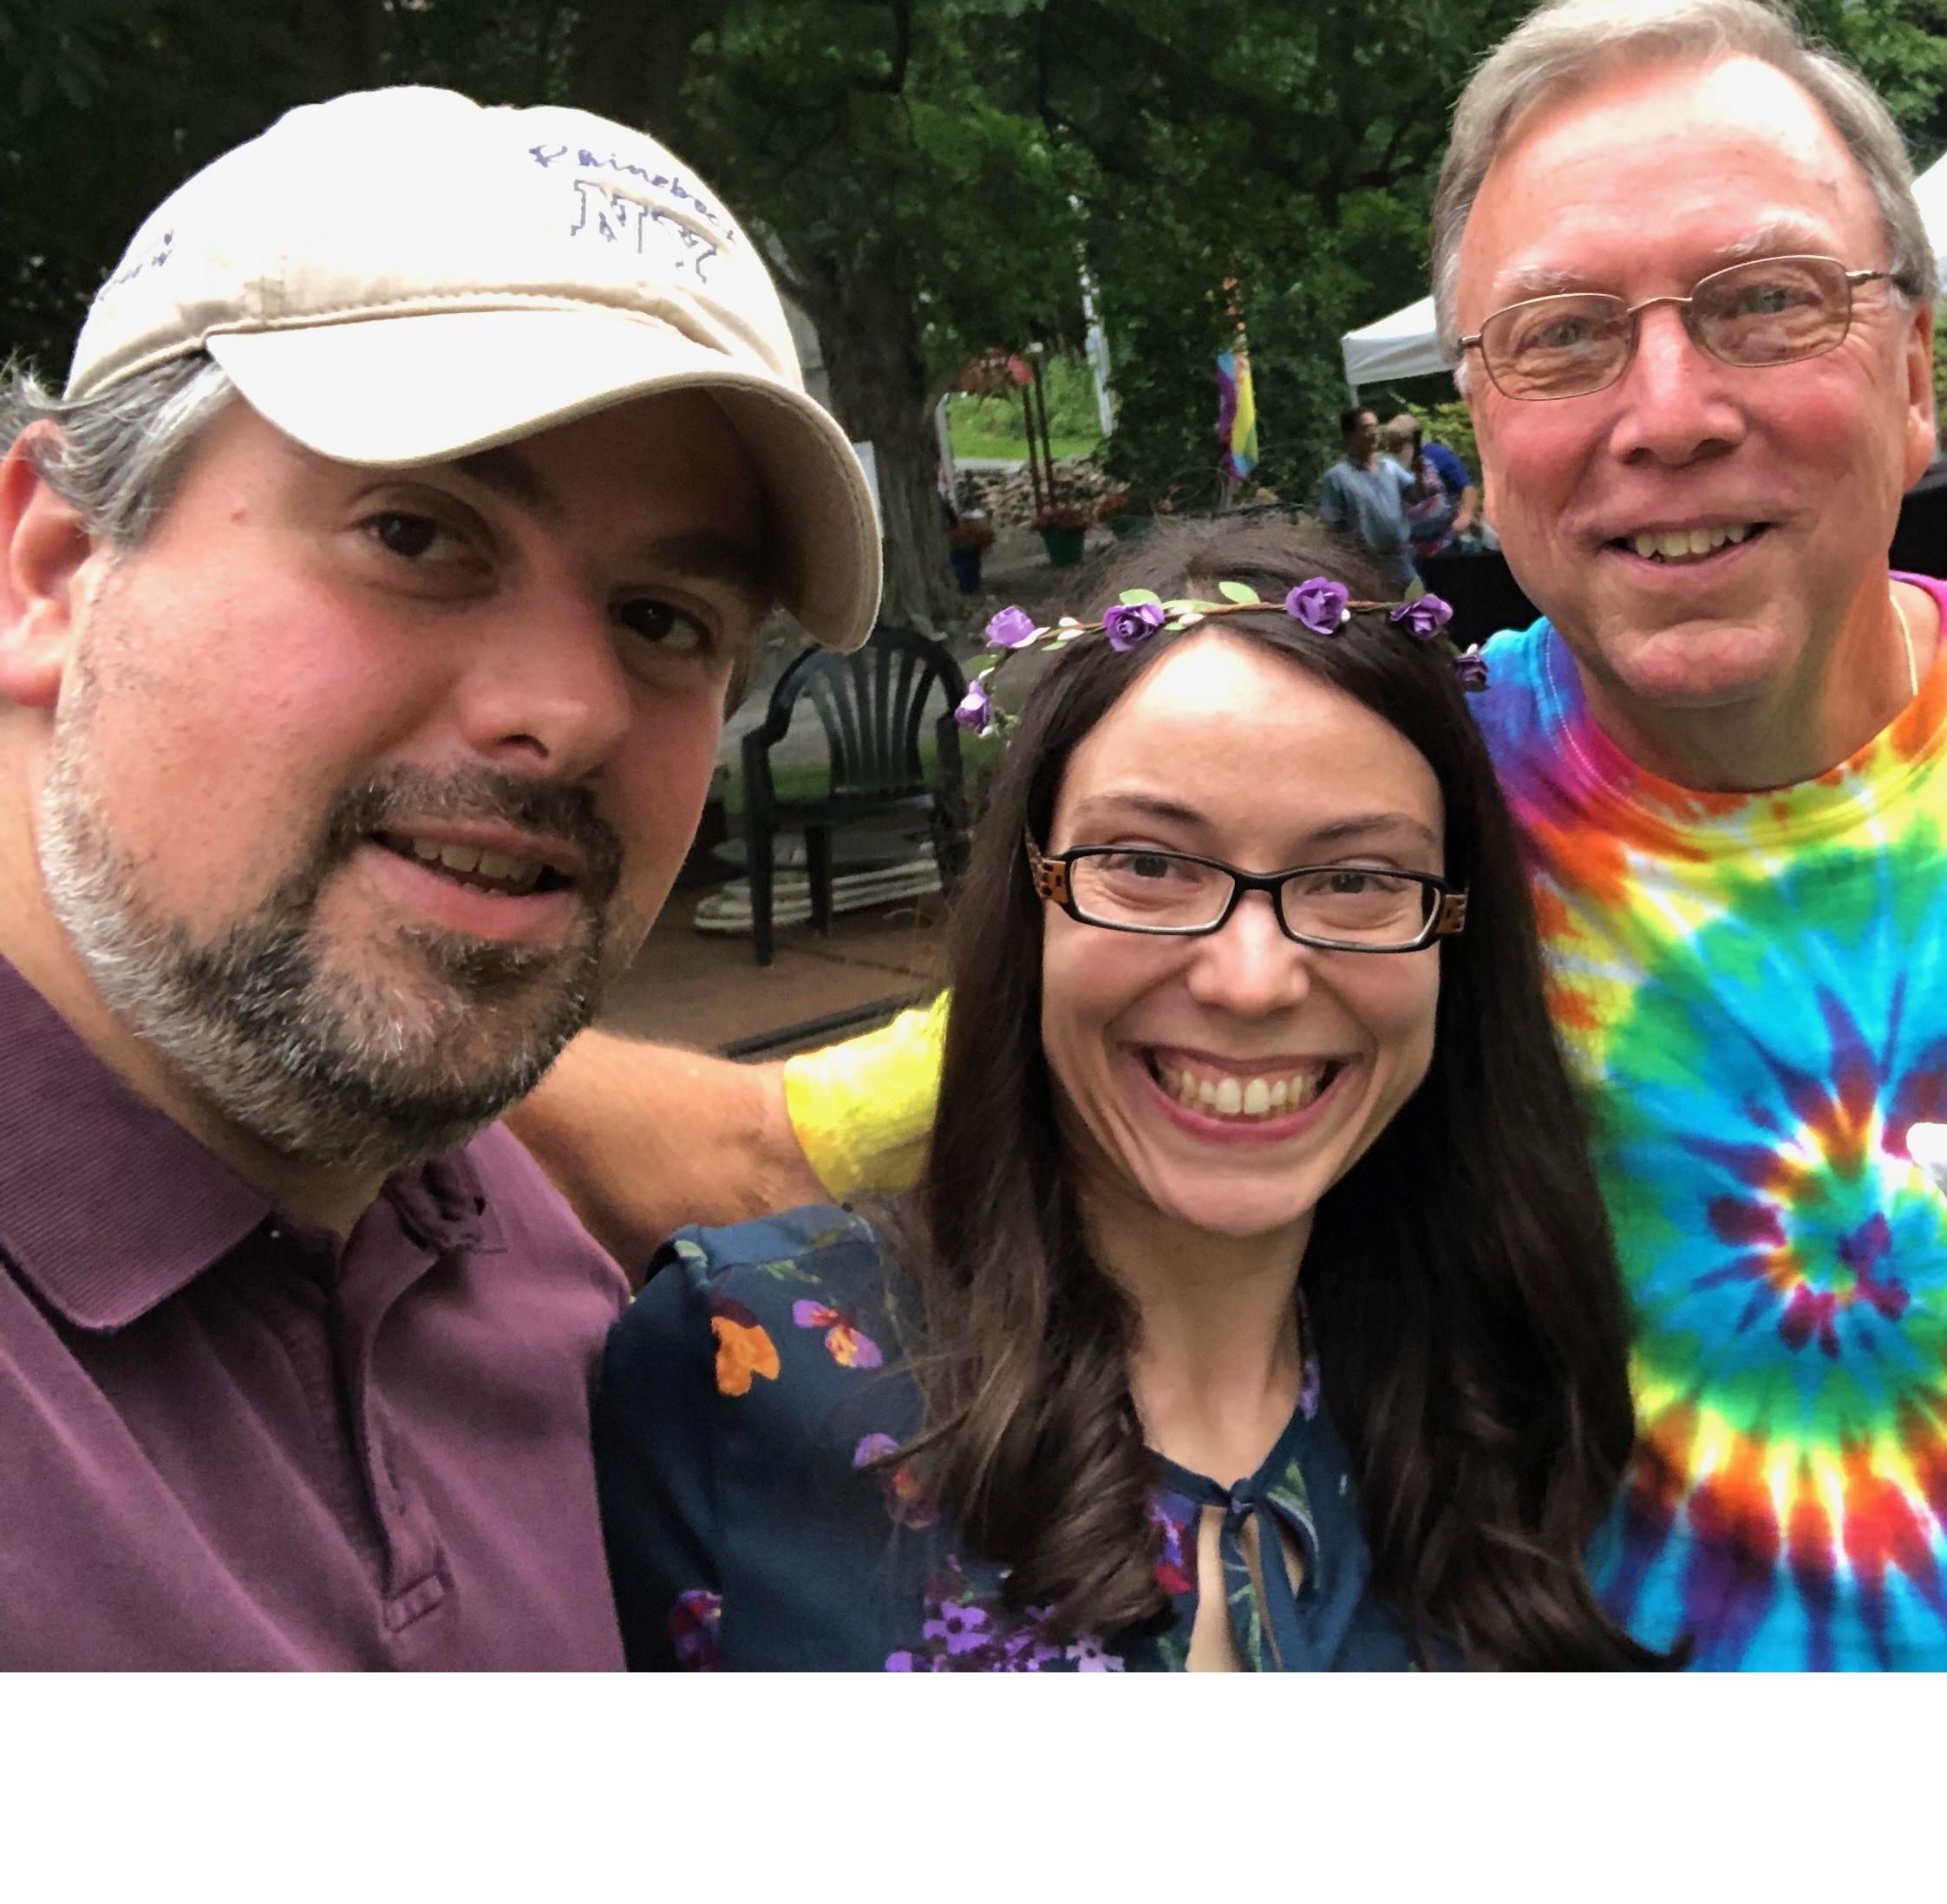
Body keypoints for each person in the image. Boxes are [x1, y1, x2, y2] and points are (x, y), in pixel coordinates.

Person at [513, 0, 1947, 1670]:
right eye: (1563, 337)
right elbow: (774, 1155)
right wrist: (238, 1022)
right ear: (1482, 424)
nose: (1667, 410)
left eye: (1761, 304)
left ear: (1918, 372)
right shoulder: (1367, 838)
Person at [0, 86, 880, 1670]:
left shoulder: (517, 1249)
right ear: (57, 570)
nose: (567, 708)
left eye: (666, 617)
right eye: (417, 532)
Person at [594, 526, 1662, 1671]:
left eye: (1358, 880)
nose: (1250, 982)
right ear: (1030, 898)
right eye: (1149, 866)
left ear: (1455, 929)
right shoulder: (736, 1376)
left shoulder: (1516, 1397)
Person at [1317, 404, 1415, 590]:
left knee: (1419, 611)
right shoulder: (1337, 477)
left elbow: (1416, 495)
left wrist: (1419, 466)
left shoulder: (1390, 466)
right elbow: (1331, 527)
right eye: (1366, 428)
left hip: (1401, 561)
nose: (1374, 433)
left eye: (1375, 427)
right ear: (1349, 435)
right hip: (1366, 566)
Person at [1382, 410, 1479, 563]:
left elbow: (1467, 487)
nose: (1393, 447)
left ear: (1411, 439)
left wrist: (1466, 515)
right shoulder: (1390, 465)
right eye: (1391, 442)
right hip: (1411, 550)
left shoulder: (1437, 454)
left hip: (1445, 542)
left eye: (1398, 442)